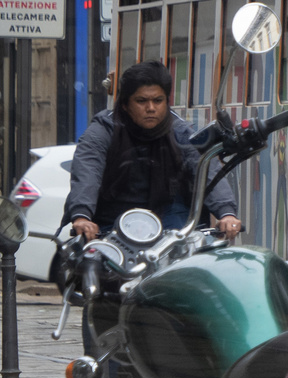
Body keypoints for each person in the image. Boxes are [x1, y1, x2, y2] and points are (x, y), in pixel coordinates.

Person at [65, 61, 241, 242]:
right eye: (141, 101)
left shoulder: (181, 131)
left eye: (158, 101)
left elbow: (205, 167)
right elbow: (87, 169)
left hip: (171, 220)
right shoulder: (103, 130)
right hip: (113, 223)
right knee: (83, 259)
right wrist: (82, 216)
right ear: (125, 104)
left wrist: (226, 213)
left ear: (166, 102)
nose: (151, 108)